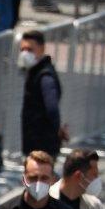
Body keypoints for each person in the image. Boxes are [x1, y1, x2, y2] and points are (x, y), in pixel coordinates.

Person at [19, 31, 66, 160]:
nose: (25, 53)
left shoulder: (44, 76)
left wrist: (56, 130)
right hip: (35, 141)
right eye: (22, 49)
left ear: (42, 48)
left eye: (29, 49)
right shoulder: (35, 72)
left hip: (42, 142)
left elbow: (52, 107)